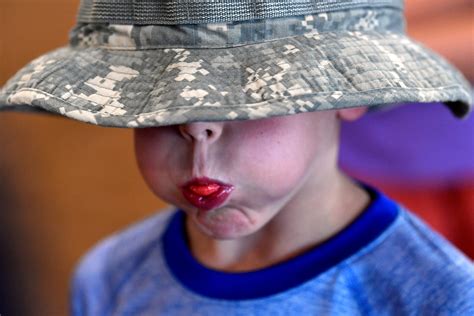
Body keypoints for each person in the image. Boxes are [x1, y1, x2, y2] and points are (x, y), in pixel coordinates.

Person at [0, 0, 473, 315]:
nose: (194, 126)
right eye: (158, 97)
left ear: (350, 91)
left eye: (247, 94)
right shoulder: (109, 276)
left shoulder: (435, 294)